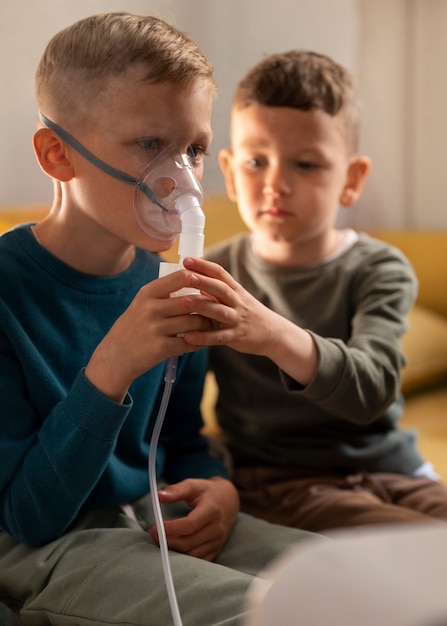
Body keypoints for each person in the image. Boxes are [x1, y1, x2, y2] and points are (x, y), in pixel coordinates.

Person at [0, 18, 317, 626]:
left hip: (154, 513)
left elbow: (181, 444)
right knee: (271, 614)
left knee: (360, 579)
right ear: (58, 155)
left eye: (193, 148)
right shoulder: (6, 295)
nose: (184, 180)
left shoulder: (170, 283)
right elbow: (28, 515)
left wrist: (218, 490)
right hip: (47, 543)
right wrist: (111, 367)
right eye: (150, 145)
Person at [179, 50, 447, 532]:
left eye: (305, 164)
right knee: (422, 551)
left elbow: (374, 390)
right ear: (231, 172)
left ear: (351, 179)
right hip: (280, 479)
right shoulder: (211, 272)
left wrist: (270, 333)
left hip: (394, 468)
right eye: (256, 161)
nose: (276, 184)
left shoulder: (379, 269)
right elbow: (174, 409)